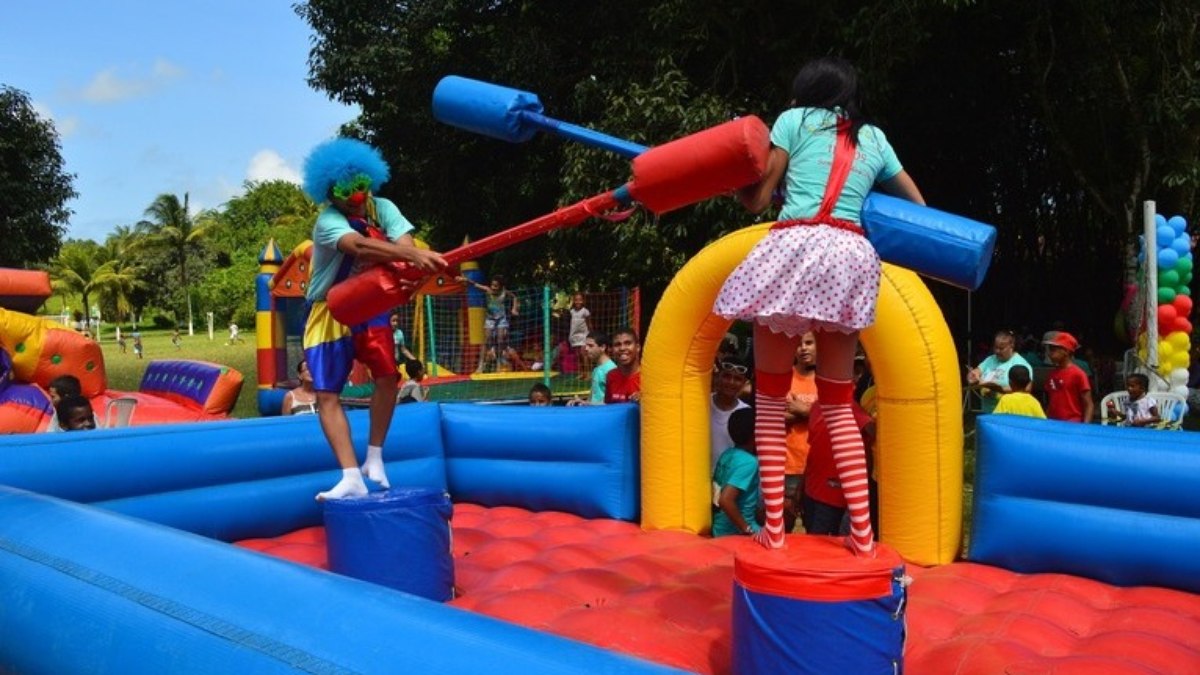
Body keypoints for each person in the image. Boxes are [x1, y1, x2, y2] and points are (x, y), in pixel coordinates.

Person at [714, 57, 925, 554]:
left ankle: (774, 531)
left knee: (768, 400)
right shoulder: (874, 138)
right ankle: (863, 536)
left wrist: (738, 183)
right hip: (850, 255)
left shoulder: (794, 121)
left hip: (794, 247)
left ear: (808, 90)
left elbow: (758, 199)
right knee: (839, 403)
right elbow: (916, 207)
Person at [300, 138, 447, 501]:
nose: (356, 196)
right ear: (329, 192)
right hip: (329, 309)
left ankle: (374, 457)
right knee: (327, 392)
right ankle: (350, 474)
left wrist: (412, 258)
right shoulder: (327, 222)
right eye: (345, 189)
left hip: (370, 305)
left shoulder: (383, 208)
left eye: (361, 186)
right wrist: (407, 255)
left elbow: (407, 245)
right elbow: (359, 246)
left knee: (387, 376)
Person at [802, 395, 876, 536]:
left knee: (822, 542)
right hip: (811, 488)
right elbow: (813, 448)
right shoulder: (817, 406)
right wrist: (802, 486)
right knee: (811, 538)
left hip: (832, 494)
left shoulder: (848, 406)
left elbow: (872, 430)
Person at [784, 332, 818, 531]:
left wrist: (802, 410)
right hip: (788, 465)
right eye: (798, 344)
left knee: (814, 529)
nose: (804, 348)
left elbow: (833, 417)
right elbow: (775, 417)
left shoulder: (826, 379)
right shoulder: (784, 377)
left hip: (815, 467)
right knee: (783, 526)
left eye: (809, 343)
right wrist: (814, 413)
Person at [712, 408, 761, 538]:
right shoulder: (749, 462)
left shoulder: (727, 454)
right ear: (755, 434)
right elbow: (725, 500)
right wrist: (747, 529)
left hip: (719, 528)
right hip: (734, 533)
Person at [710, 357, 752, 502]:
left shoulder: (746, 413)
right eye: (727, 376)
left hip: (729, 486)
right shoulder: (701, 403)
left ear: (745, 383)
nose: (731, 382)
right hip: (699, 480)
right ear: (717, 377)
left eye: (737, 379)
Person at [967, 330, 1033, 413]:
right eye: (995, 347)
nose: (997, 351)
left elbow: (1027, 389)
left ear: (1011, 346)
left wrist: (999, 389)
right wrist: (973, 376)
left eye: (1001, 348)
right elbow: (977, 371)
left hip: (1009, 414)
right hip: (988, 412)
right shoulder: (990, 359)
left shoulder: (1021, 364)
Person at [463, 275, 519, 373]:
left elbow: (514, 297)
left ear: (501, 287)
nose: (493, 287)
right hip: (490, 319)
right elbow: (475, 284)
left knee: (500, 339)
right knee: (487, 340)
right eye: (492, 285)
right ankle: (480, 365)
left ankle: (498, 362)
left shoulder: (504, 292)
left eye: (496, 286)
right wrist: (466, 280)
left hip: (501, 319)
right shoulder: (488, 290)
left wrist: (514, 308)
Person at [1042, 332, 1094, 423]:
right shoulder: (1052, 374)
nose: (1050, 353)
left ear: (1066, 351)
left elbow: (1088, 405)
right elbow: (1051, 402)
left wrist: (1085, 428)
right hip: (1053, 423)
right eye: (1049, 350)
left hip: (1072, 424)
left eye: (1053, 350)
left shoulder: (1078, 374)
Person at [604, 327, 642, 404]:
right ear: (612, 350)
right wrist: (589, 405)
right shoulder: (611, 375)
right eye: (617, 344)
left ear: (637, 347)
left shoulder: (649, 376)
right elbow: (608, 407)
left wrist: (647, 400)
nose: (622, 348)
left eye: (627, 343)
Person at [584, 331, 616, 404]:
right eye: (586, 345)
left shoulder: (611, 369)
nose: (586, 349)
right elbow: (593, 395)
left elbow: (613, 399)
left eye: (590, 346)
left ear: (602, 347)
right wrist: (584, 403)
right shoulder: (596, 369)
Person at [567, 293, 592, 378]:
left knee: (583, 354)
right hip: (574, 336)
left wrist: (590, 333)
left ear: (583, 301)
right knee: (578, 355)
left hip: (583, 335)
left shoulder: (585, 311)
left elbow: (589, 323)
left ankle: (588, 373)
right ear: (574, 301)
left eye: (580, 300)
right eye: (576, 300)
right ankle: (581, 372)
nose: (578, 302)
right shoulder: (572, 311)